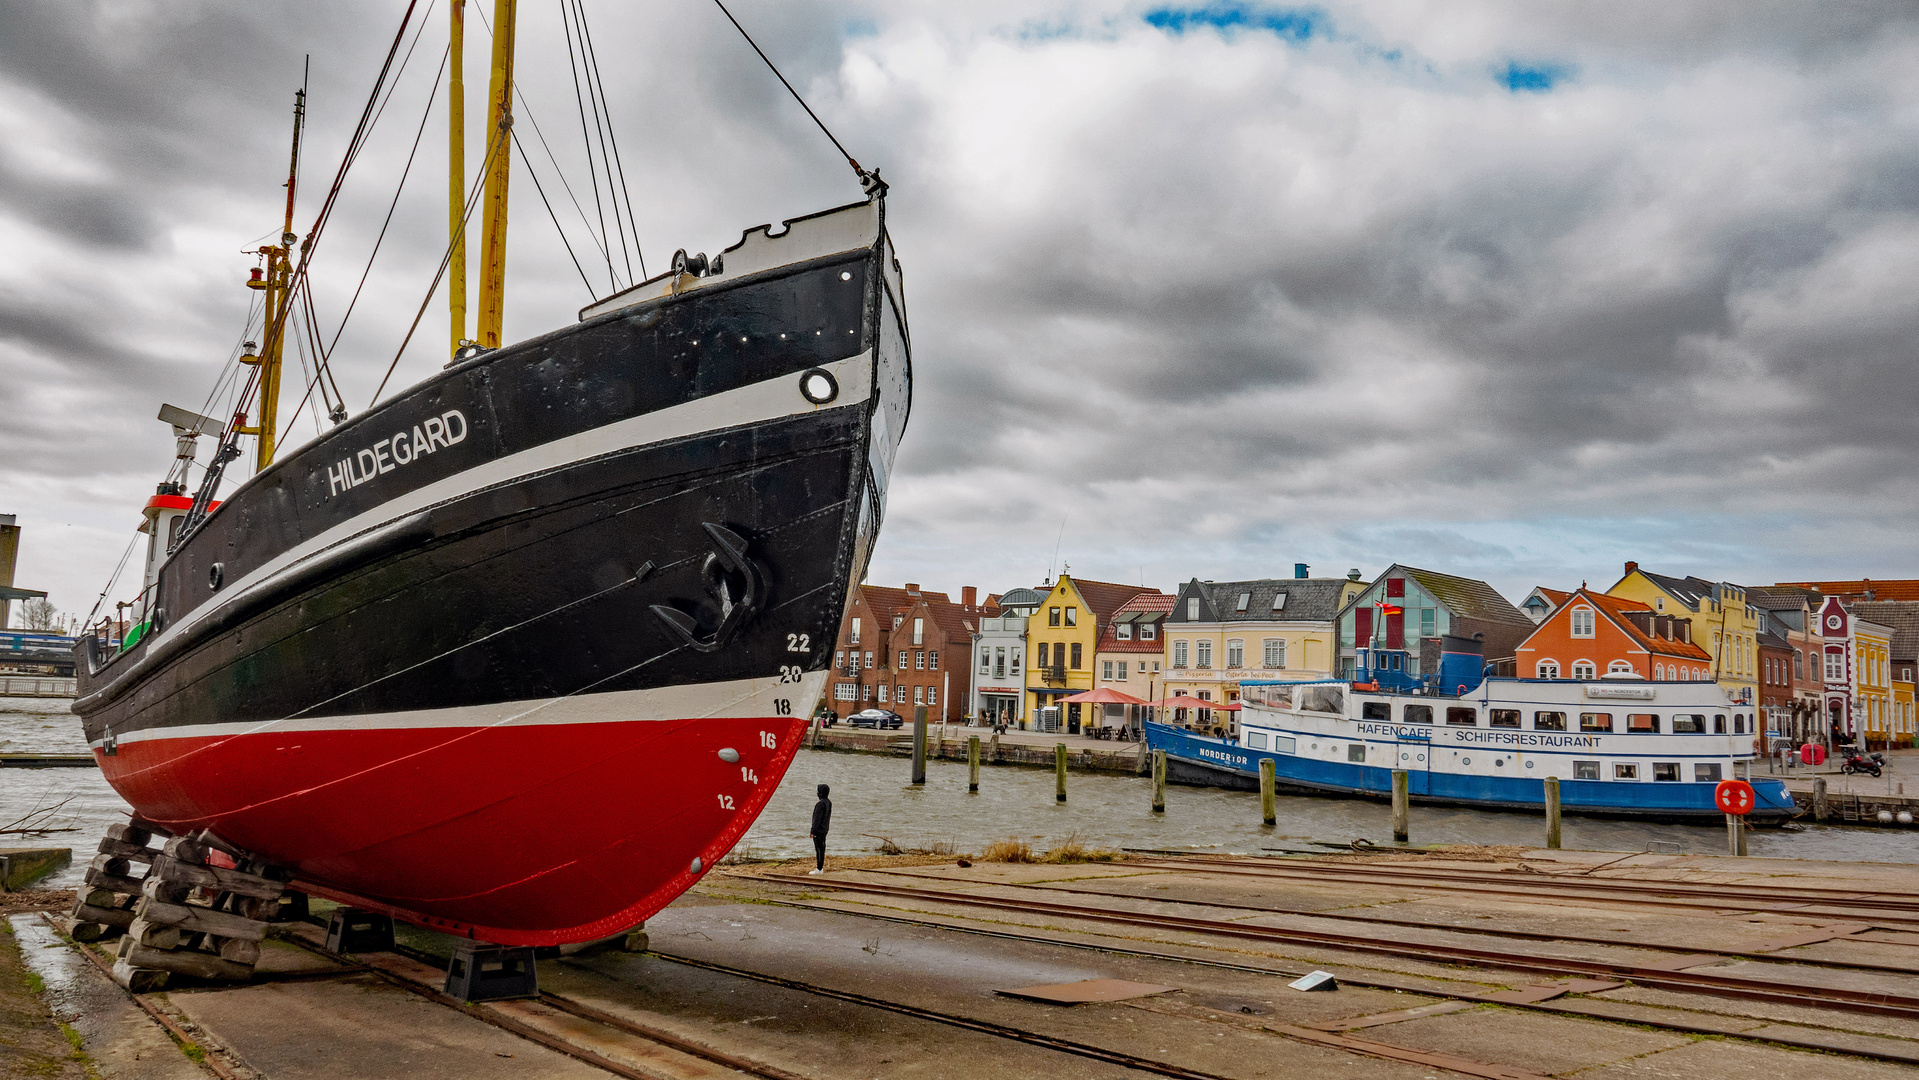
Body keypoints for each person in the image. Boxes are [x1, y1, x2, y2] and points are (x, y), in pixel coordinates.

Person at [808, 783, 832, 875]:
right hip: (825, 829)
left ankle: (819, 868)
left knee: (819, 849)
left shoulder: (820, 804)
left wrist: (813, 831)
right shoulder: (828, 802)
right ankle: (820, 867)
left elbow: (816, 819)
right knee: (822, 848)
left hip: (818, 830)